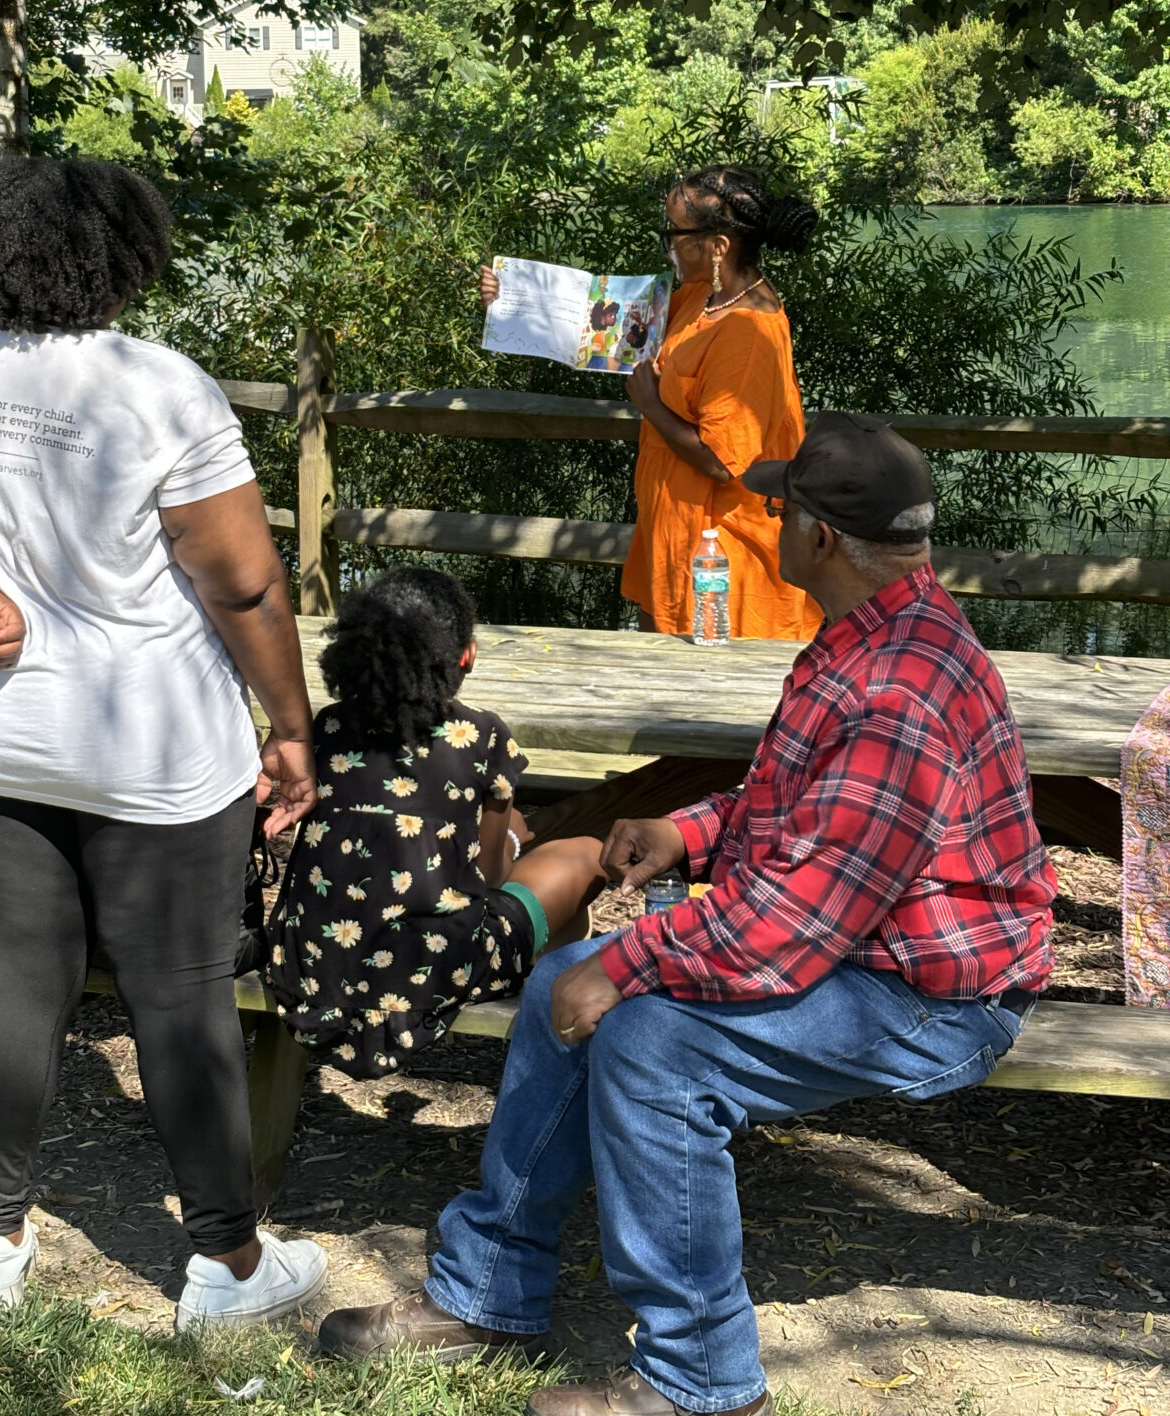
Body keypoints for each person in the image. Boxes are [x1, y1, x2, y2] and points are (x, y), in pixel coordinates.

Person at [317, 414, 1058, 1416]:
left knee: (652, 1042)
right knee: (554, 985)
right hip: (865, 948)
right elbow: (790, 806)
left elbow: (794, 924)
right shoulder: (871, 636)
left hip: (931, 995)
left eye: (778, 507)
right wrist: (689, 833)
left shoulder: (899, 689)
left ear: (821, 538)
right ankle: (486, 1298)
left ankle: (705, 1380)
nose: (768, 520)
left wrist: (626, 965)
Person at [0, 156, 326, 1330]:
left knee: (16, 970)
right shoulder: (161, 388)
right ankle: (227, 1267)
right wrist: (292, 728)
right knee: (182, 991)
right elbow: (245, 588)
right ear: (125, 254)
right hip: (150, 741)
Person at [266, 568, 605, 1078]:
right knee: (583, 853)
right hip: (430, 977)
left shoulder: (326, 727)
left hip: (312, 974)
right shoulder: (483, 736)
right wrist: (510, 833)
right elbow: (491, 877)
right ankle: (557, 1012)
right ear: (466, 656)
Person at [481, 166, 820, 640]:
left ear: (718, 246)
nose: (668, 246)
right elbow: (597, 323)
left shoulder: (749, 331)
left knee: (711, 701)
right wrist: (513, 299)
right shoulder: (703, 296)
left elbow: (724, 463)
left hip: (723, 561)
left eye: (675, 234)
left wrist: (651, 406)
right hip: (676, 537)